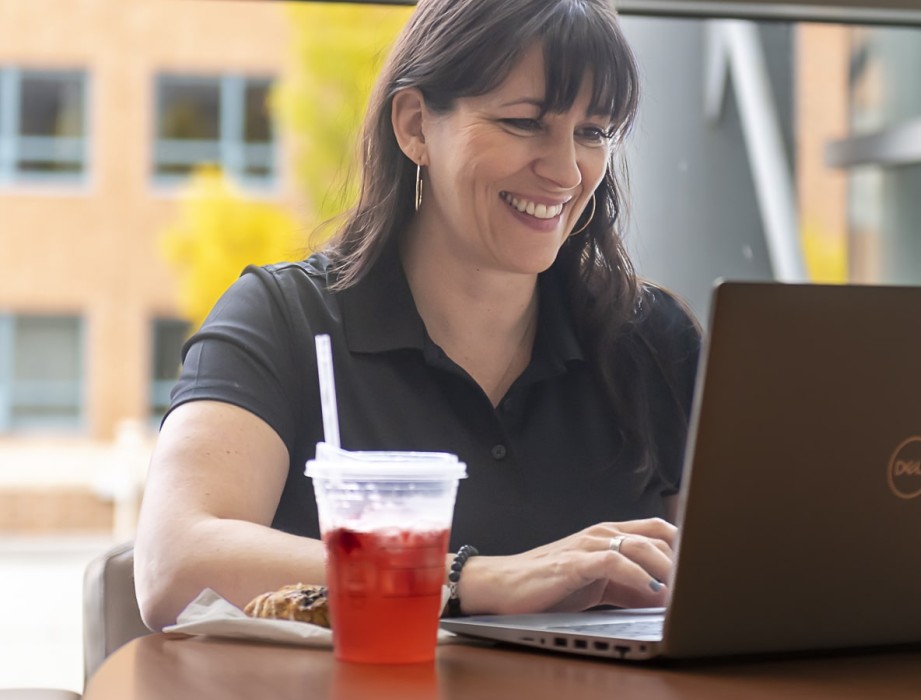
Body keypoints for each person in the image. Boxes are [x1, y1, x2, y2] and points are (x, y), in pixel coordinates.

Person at [134, 0, 701, 630]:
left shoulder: (652, 340)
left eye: (592, 132)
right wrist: (474, 579)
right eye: (523, 123)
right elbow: (175, 564)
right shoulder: (284, 320)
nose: (566, 170)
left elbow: (745, 572)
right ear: (414, 126)